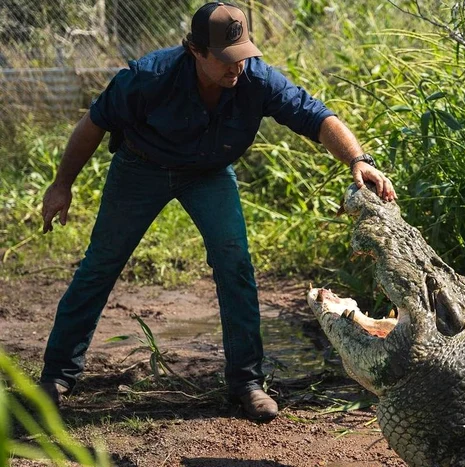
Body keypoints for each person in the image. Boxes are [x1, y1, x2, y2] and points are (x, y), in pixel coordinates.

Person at [39, 1, 396, 422]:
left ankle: (246, 382)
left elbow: (316, 117)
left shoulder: (257, 79)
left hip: (208, 174)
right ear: (195, 50)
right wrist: (62, 185)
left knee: (235, 266)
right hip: (141, 169)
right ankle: (56, 378)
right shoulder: (147, 78)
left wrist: (359, 159)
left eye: (243, 56)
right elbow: (91, 126)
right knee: (100, 265)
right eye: (226, 60)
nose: (237, 68)